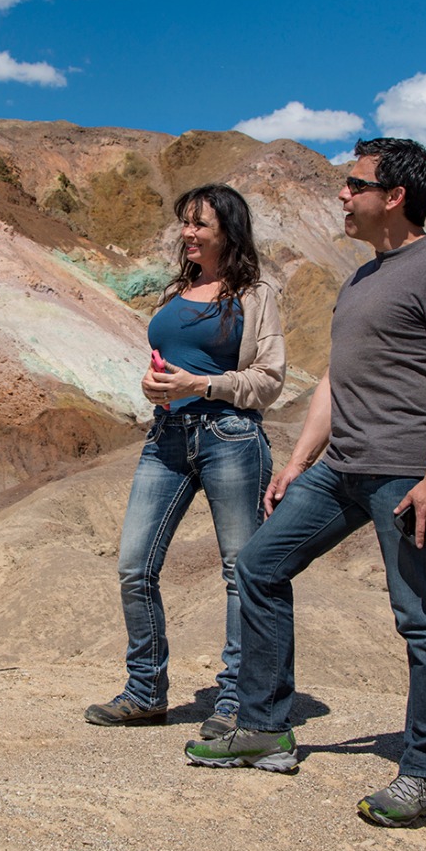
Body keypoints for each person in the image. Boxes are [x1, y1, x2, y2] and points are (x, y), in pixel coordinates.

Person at [184, 137, 426, 828]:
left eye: (353, 185)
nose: (342, 196)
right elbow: (333, 380)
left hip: (404, 472)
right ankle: (264, 726)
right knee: (259, 567)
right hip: (339, 469)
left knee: (419, 616)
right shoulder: (359, 278)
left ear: (395, 196)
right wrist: (297, 463)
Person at [84, 184, 286, 737]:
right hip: (167, 435)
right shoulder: (180, 288)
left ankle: (237, 701)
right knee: (134, 564)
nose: (188, 233)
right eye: (185, 223)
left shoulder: (256, 292)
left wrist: (203, 384)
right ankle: (146, 690)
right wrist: (156, 386)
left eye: (200, 224)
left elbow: (269, 381)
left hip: (232, 436)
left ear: (229, 230)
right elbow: (172, 362)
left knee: (238, 572)